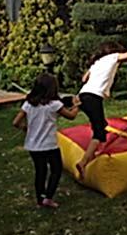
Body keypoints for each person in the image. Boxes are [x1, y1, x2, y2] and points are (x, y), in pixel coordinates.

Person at [76, 41, 127, 178]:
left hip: (82, 96)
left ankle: (96, 150)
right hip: (93, 98)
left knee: (101, 124)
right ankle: (83, 162)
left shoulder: (97, 62)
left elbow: (84, 78)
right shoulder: (112, 57)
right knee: (99, 132)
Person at [12, 73, 80, 208]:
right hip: (49, 145)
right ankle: (48, 197)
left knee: (40, 172)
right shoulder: (54, 105)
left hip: (33, 146)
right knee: (56, 170)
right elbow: (71, 116)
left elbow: (15, 122)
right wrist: (77, 105)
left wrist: (26, 128)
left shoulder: (28, 104)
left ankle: (40, 199)